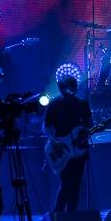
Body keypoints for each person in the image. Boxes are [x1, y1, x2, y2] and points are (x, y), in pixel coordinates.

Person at [43, 76, 93, 212]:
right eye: (66, 87)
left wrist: (86, 132)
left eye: (72, 87)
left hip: (79, 149)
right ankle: (57, 217)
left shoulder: (82, 104)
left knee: (75, 184)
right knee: (66, 184)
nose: (69, 90)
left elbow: (89, 124)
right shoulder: (54, 104)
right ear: (61, 88)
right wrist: (55, 141)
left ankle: (71, 218)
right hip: (61, 148)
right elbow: (46, 126)